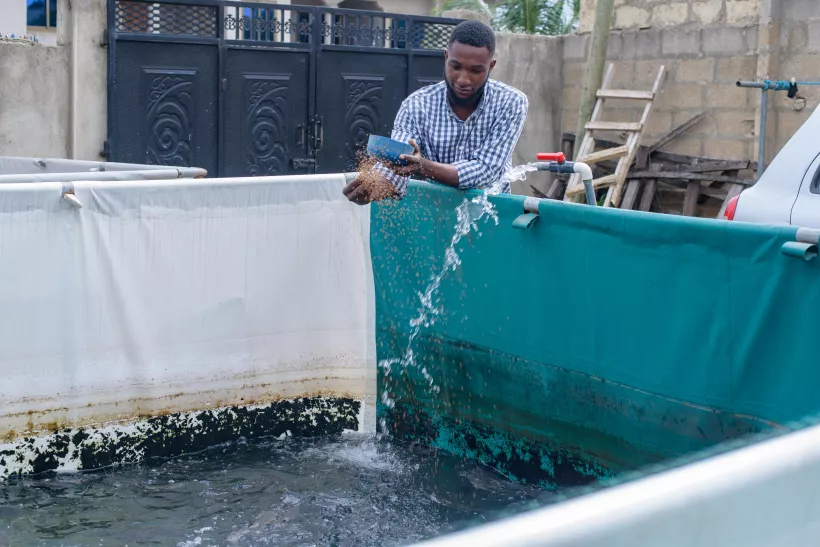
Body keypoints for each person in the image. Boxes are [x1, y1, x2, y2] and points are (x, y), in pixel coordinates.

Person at [343, 19, 528, 205]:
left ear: (491, 66)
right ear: (446, 57)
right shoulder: (416, 105)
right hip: (437, 217)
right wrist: (374, 186)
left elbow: (487, 171)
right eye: (456, 67)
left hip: (492, 216)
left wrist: (423, 166)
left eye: (476, 70)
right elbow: (400, 162)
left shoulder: (510, 103)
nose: (464, 79)